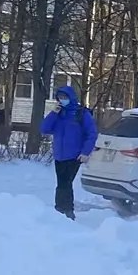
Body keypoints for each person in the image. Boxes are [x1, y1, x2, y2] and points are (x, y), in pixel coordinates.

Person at [39, 84, 97, 220]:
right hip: (59, 155)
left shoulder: (81, 114)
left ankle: (66, 210)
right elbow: (44, 128)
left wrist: (85, 152)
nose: (62, 100)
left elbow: (91, 134)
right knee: (62, 183)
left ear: (71, 97)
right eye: (60, 97)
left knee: (65, 183)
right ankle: (61, 210)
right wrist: (53, 113)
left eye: (64, 97)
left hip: (74, 156)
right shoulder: (59, 114)